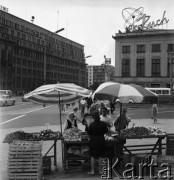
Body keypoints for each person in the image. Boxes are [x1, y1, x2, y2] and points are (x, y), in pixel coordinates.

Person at [87, 111, 108, 175]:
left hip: (93, 140)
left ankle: (92, 171)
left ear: (93, 117)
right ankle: (100, 171)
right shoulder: (103, 124)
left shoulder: (92, 125)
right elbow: (106, 131)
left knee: (93, 156)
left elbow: (89, 133)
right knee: (101, 156)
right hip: (101, 140)